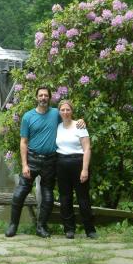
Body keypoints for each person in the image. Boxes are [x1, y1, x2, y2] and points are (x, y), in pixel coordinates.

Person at [6, 86, 84, 238]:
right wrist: (24, 164)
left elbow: (69, 118)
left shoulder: (56, 113)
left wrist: (81, 121)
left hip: (50, 161)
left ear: (49, 98)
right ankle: (13, 225)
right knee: (20, 192)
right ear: (36, 97)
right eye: (40, 95)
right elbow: (23, 142)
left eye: (46, 95)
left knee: (48, 195)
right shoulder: (28, 117)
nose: (43, 98)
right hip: (32, 159)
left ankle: (41, 227)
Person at [56, 100, 97, 239]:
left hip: (78, 163)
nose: (65, 112)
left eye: (68, 110)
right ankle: (69, 229)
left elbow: (87, 149)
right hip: (61, 163)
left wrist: (84, 169)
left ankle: (90, 230)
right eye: (63, 110)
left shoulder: (79, 126)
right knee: (65, 198)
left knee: (83, 198)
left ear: (72, 111)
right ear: (59, 112)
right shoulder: (58, 126)